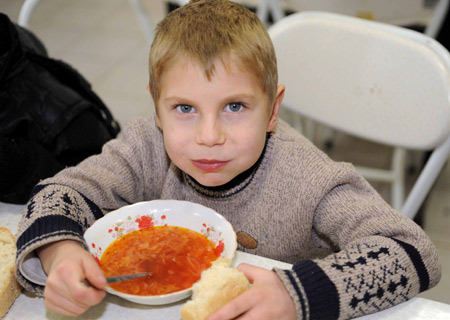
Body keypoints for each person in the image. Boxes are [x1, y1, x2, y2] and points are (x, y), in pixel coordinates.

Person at [15, 1, 440, 319]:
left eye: (235, 107)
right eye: (184, 108)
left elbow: (412, 251)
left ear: (273, 110)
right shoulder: (147, 144)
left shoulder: (307, 178)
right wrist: (60, 254)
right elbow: (60, 192)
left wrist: (298, 295)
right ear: (157, 108)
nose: (209, 136)